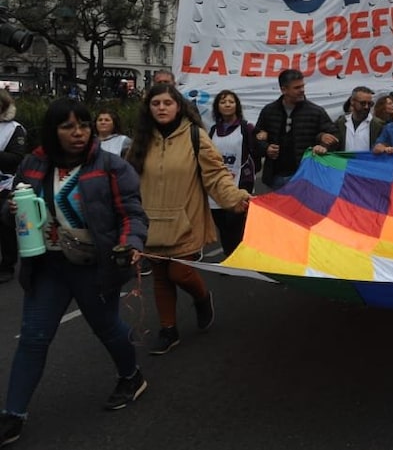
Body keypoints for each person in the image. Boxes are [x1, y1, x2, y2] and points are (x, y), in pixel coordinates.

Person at [0, 99, 148, 445]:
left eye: (83, 124)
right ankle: (13, 414)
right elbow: (15, 213)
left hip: (94, 267)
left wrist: (131, 242)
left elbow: (132, 214)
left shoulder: (111, 167)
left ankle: (131, 375)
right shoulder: (33, 164)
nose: (79, 132)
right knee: (34, 337)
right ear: (53, 132)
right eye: (68, 126)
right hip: (47, 266)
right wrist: (9, 210)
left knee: (107, 328)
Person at [125, 84, 251, 356]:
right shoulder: (141, 139)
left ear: (178, 106)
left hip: (186, 220)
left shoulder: (196, 136)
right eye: (155, 103)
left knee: (179, 272)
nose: (161, 107)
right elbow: (126, 179)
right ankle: (168, 330)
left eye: (167, 103)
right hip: (151, 221)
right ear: (148, 108)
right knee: (160, 276)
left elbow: (217, 176)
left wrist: (235, 199)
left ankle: (202, 298)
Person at [253, 69, 336, 190]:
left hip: (306, 178)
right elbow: (256, 138)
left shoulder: (315, 111)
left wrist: (323, 145)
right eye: (297, 87)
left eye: (302, 86)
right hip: (275, 177)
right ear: (284, 89)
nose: (302, 90)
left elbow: (334, 134)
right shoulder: (269, 111)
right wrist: (266, 148)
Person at [208, 90, 259, 256]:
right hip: (218, 185)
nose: (227, 105)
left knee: (235, 223)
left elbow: (257, 152)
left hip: (240, 183)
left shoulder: (247, 128)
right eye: (223, 102)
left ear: (236, 105)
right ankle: (229, 255)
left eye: (231, 101)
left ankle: (238, 255)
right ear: (217, 107)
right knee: (221, 223)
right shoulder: (213, 130)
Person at [0, 90, 27, 283]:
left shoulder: (15, 129)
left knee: (5, 226)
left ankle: (7, 264)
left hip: (4, 184)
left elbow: (16, 159)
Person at [332, 86, 385, 152]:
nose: (366, 107)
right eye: (362, 103)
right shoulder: (340, 123)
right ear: (352, 101)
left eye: (370, 104)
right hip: (345, 161)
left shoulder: (379, 125)